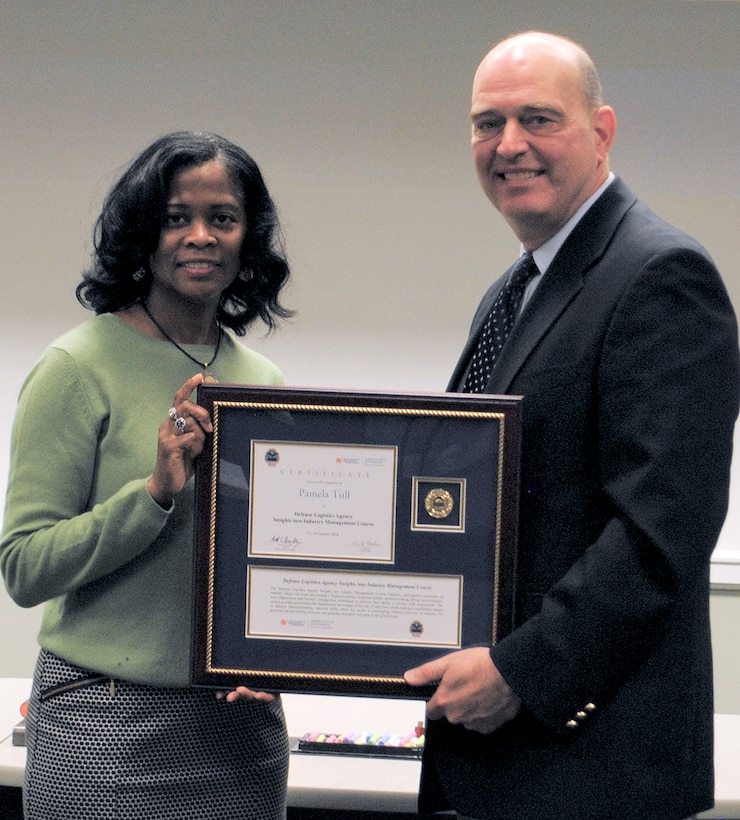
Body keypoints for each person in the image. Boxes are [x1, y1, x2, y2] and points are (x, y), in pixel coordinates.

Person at [404, 31, 740, 820]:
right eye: (488, 123)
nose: (510, 145)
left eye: (538, 118)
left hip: (592, 769)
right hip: (501, 766)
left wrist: (523, 672)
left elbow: (662, 530)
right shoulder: (514, 290)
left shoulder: (659, 276)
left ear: (602, 130)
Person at [1, 131, 293, 819]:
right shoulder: (77, 366)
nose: (200, 236)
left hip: (238, 733)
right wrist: (156, 493)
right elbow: (24, 568)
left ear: (247, 236)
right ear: (142, 232)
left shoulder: (266, 381)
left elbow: (270, 561)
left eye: (222, 218)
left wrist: (277, 652)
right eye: (175, 218)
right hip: (104, 726)